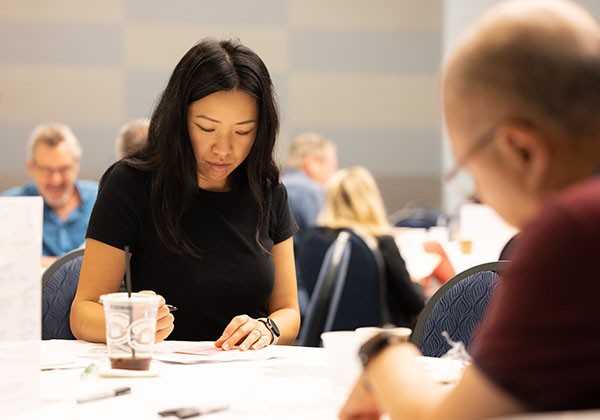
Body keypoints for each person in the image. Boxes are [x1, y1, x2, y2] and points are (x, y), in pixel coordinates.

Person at [340, 0, 600, 418]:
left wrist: (384, 355)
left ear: (522, 151)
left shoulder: (569, 233)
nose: (475, 190)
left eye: (467, 167)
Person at [70, 38, 300, 350]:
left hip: (247, 375)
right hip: (160, 375)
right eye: (207, 129)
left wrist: (267, 328)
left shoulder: (268, 191)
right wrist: (132, 321)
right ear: (180, 121)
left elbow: (288, 312)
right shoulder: (131, 184)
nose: (223, 149)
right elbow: (82, 314)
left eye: (243, 132)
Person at [312, 166, 425, 327]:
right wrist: (420, 284)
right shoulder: (381, 244)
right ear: (370, 200)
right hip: (381, 341)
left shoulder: (314, 241)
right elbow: (415, 303)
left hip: (327, 337)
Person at [2, 123, 98, 266]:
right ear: (31, 167)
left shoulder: (101, 199)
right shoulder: (9, 206)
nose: (56, 180)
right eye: (47, 171)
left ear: (76, 164)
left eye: (64, 169)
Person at [281, 132, 338, 230]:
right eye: (332, 166)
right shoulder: (312, 192)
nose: (335, 172)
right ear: (313, 162)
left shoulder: (274, 185)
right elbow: (318, 240)